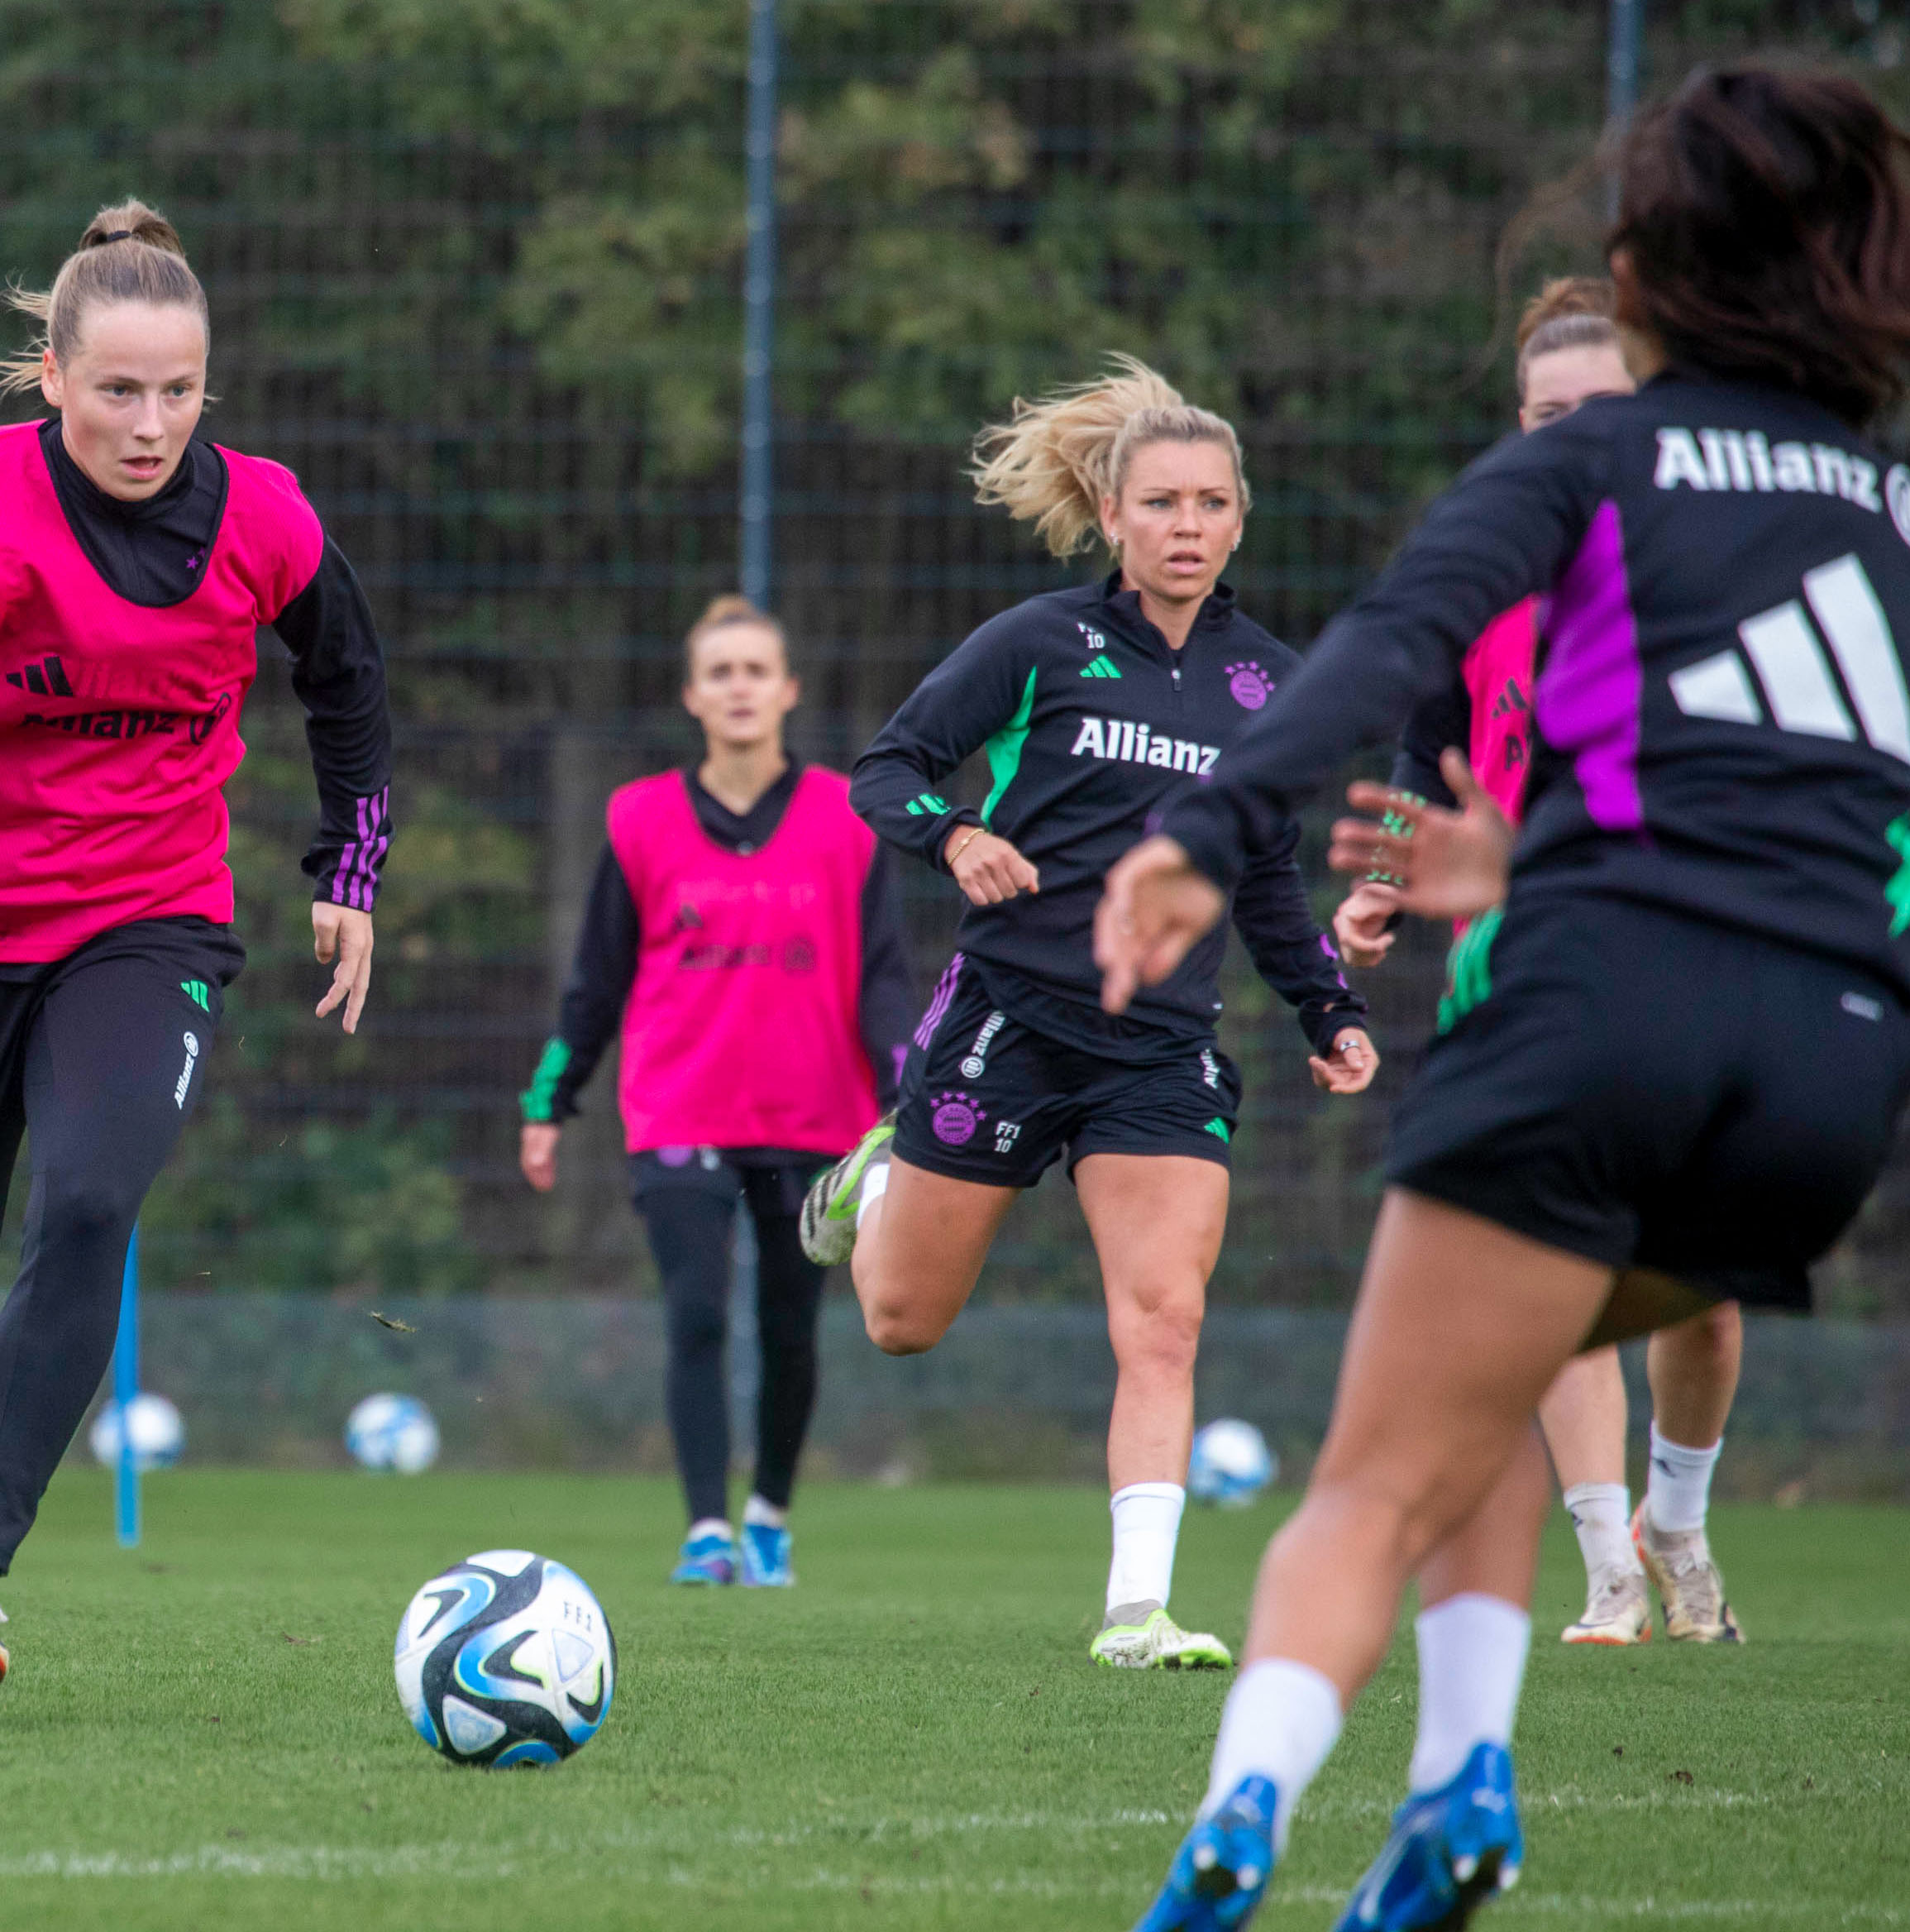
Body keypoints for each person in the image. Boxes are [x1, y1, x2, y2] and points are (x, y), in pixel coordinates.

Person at [1101, 65, 1910, 1930]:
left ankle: (1238, 1812)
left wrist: (1201, 835)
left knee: (1360, 1479)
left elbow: (1379, 656)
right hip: (1835, 1068)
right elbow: (1816, 785)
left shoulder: (1592, 458)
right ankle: (1461, 1782)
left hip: (1604, 1010)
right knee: (1500, 1368)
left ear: (1649, 272)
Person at [0, 199, 393, 1694]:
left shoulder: (264, 520)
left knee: (91, 1202)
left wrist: (351, 866)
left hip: (149, 923)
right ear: (51, 375)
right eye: (117, 389)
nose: (149, 423)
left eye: (178, 390)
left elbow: (352, 690)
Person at [800, 357, 1378, 1670]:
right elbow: (878, 771)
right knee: (901, 1321)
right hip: (1005, 1015)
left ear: (1240, 520)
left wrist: (1321, 1007)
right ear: (1110, 515)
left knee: (1162, 1316)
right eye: (1160, 501)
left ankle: (1134, 1611)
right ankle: (873, 1183)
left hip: (1159, 1050)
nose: (1186, 525)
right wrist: (951, 841)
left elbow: (1267, 873)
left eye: (1211, 503)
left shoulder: (1270, 685)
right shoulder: (1033, 645)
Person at [1333, 277, 1750, 1650]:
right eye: (1545, 415)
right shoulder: (1486, 565)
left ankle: (1675, 1521)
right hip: (1516, 957)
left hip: (1688, 944)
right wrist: (1393, 867)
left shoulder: (1724, 568)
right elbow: (1426, 736)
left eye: (1601, 413)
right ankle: (1609, 1572)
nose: (1570, 436)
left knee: (1697, 1290)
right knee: (1545, 1271)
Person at [518, 596, 911, 1589]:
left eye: (755, 669)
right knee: (694, 1314)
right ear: (692, 695)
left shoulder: (846, 821)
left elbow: (883, 977)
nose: (738, 686)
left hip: (815, 1117)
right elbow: (595, 979)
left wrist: (908, 1097)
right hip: (677, 1110)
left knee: (789, 1327)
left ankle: (768, 1513)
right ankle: (704, 1530)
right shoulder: (638, 817)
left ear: (786, 690)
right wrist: (547, 1101)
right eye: (719, 671)